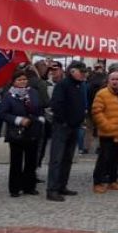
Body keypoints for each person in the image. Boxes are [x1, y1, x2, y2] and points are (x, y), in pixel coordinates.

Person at [0, 70, 45, 197]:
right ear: (14, 82)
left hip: (32, 129)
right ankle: (14, 188)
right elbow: (2, 113)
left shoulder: (33, 92)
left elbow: (39, 107)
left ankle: (29, 186)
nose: (23, 82)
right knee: (16, 161)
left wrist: (40, 118)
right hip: (17, 131)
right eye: (19, 80)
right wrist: (17, 120)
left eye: (24, 79)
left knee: (31, 160)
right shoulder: (9, 96)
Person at [46, 61, 88, 202]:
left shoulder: (80, 86)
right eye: (80, 72)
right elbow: (56, 105)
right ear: (72, 71)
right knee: (57, 159)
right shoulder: (63, 85)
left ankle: (62, 185)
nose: (83, 74)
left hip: (75, 126)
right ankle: (52, 189)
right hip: (62, 126)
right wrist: (64, 121)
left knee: (67, 158)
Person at [92, 71, 118, 194]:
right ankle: (98, 182)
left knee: (116, 158)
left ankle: (113, 181)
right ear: (108, 80)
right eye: (113, 79)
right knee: (103, 158)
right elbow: (96, 111)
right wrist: (107, 126)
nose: (115, 81)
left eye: (117, 79)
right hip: (107, 133)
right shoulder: (102, 94)